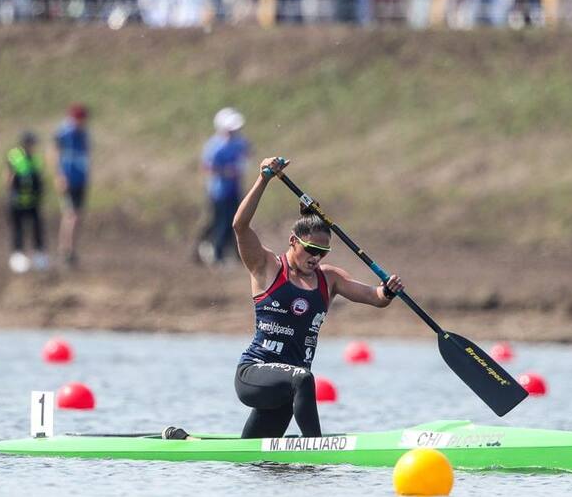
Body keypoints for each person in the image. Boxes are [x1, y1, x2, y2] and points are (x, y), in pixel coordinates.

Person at [163, 157, 403, 440]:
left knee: (253, 454)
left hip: (286, 390)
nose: (316, 257)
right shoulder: (267, 267)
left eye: (323, 252)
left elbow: (375, 298)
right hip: (254, 373)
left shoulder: (330, 278)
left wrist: (388, 289)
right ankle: (318, 449)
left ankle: (185, 440)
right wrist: (263, 179)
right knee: (304, 378)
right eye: (311, 249)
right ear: (293, 242)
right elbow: (240, 226)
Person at [196, 107, 250, 266]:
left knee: (236, 222)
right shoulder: (215, 146)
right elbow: (206, 167)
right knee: (221, 222)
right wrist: (227, 172)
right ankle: (217, 254)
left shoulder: (239, 142)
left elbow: (246, 153)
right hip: (219, 191)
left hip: (234, 189)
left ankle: (235, 253)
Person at [50, 104, 91, 267]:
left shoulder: (84, 134)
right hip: (67, 178)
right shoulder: (64, 132)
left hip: (80, 179)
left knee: (78, 215)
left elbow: (86, 155)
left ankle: (72, 250)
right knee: (70, 215)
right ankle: (65, 250)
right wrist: (59, 176)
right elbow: (54, 152)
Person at [6, 131, 47, 273]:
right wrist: (11, 195)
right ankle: (17, 256)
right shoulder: (15, 156)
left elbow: (39, 178)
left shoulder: (35, 158)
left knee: (37, 228)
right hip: (18, 200)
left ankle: (39, 255)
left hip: (33, 201)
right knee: (18, 229)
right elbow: (9, 177)